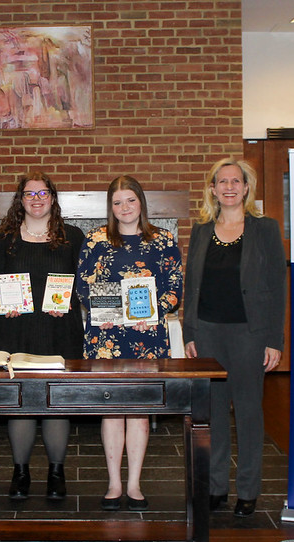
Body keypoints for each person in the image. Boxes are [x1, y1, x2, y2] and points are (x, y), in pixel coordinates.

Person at [182, 157, 286, 518]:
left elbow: (277, 286)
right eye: (221, 181)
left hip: (249, 335)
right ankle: (215, 488)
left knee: (248, 414)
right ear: (212, 188)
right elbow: (190, 286)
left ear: (245, 188)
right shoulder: (200, 230)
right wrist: (190, 332)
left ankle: (248, 490)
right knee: (213, 415)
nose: (228, 187)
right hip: (208, 333)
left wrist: (275, 339)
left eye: (235, 181)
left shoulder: (265, 229)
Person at [76, 175, 183, 511]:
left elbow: (174, 290)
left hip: (146, 339)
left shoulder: (163, 241)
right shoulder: (95, 240)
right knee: (111, 409)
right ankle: (113, 483)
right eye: (117, 202)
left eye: (130, 200)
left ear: (141, 202)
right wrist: (101, 311)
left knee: (138, 411)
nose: (124, 208)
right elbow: (82, 286)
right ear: (110, 207)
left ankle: (134, 484)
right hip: (106, 338)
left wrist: (150, 311)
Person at [0, 171, 84, 500]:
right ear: (21, 199)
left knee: (55, 402)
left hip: (59, 331)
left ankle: (57, 472)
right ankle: (21, 471)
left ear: (53, 199)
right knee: (21, 403)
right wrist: (2, 305)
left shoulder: (73, 236)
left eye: (43, 194)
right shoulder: (2, 240)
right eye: (30, 194)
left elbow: (81, 287)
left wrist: (69, 302)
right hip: (16, 332)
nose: (37, 200)